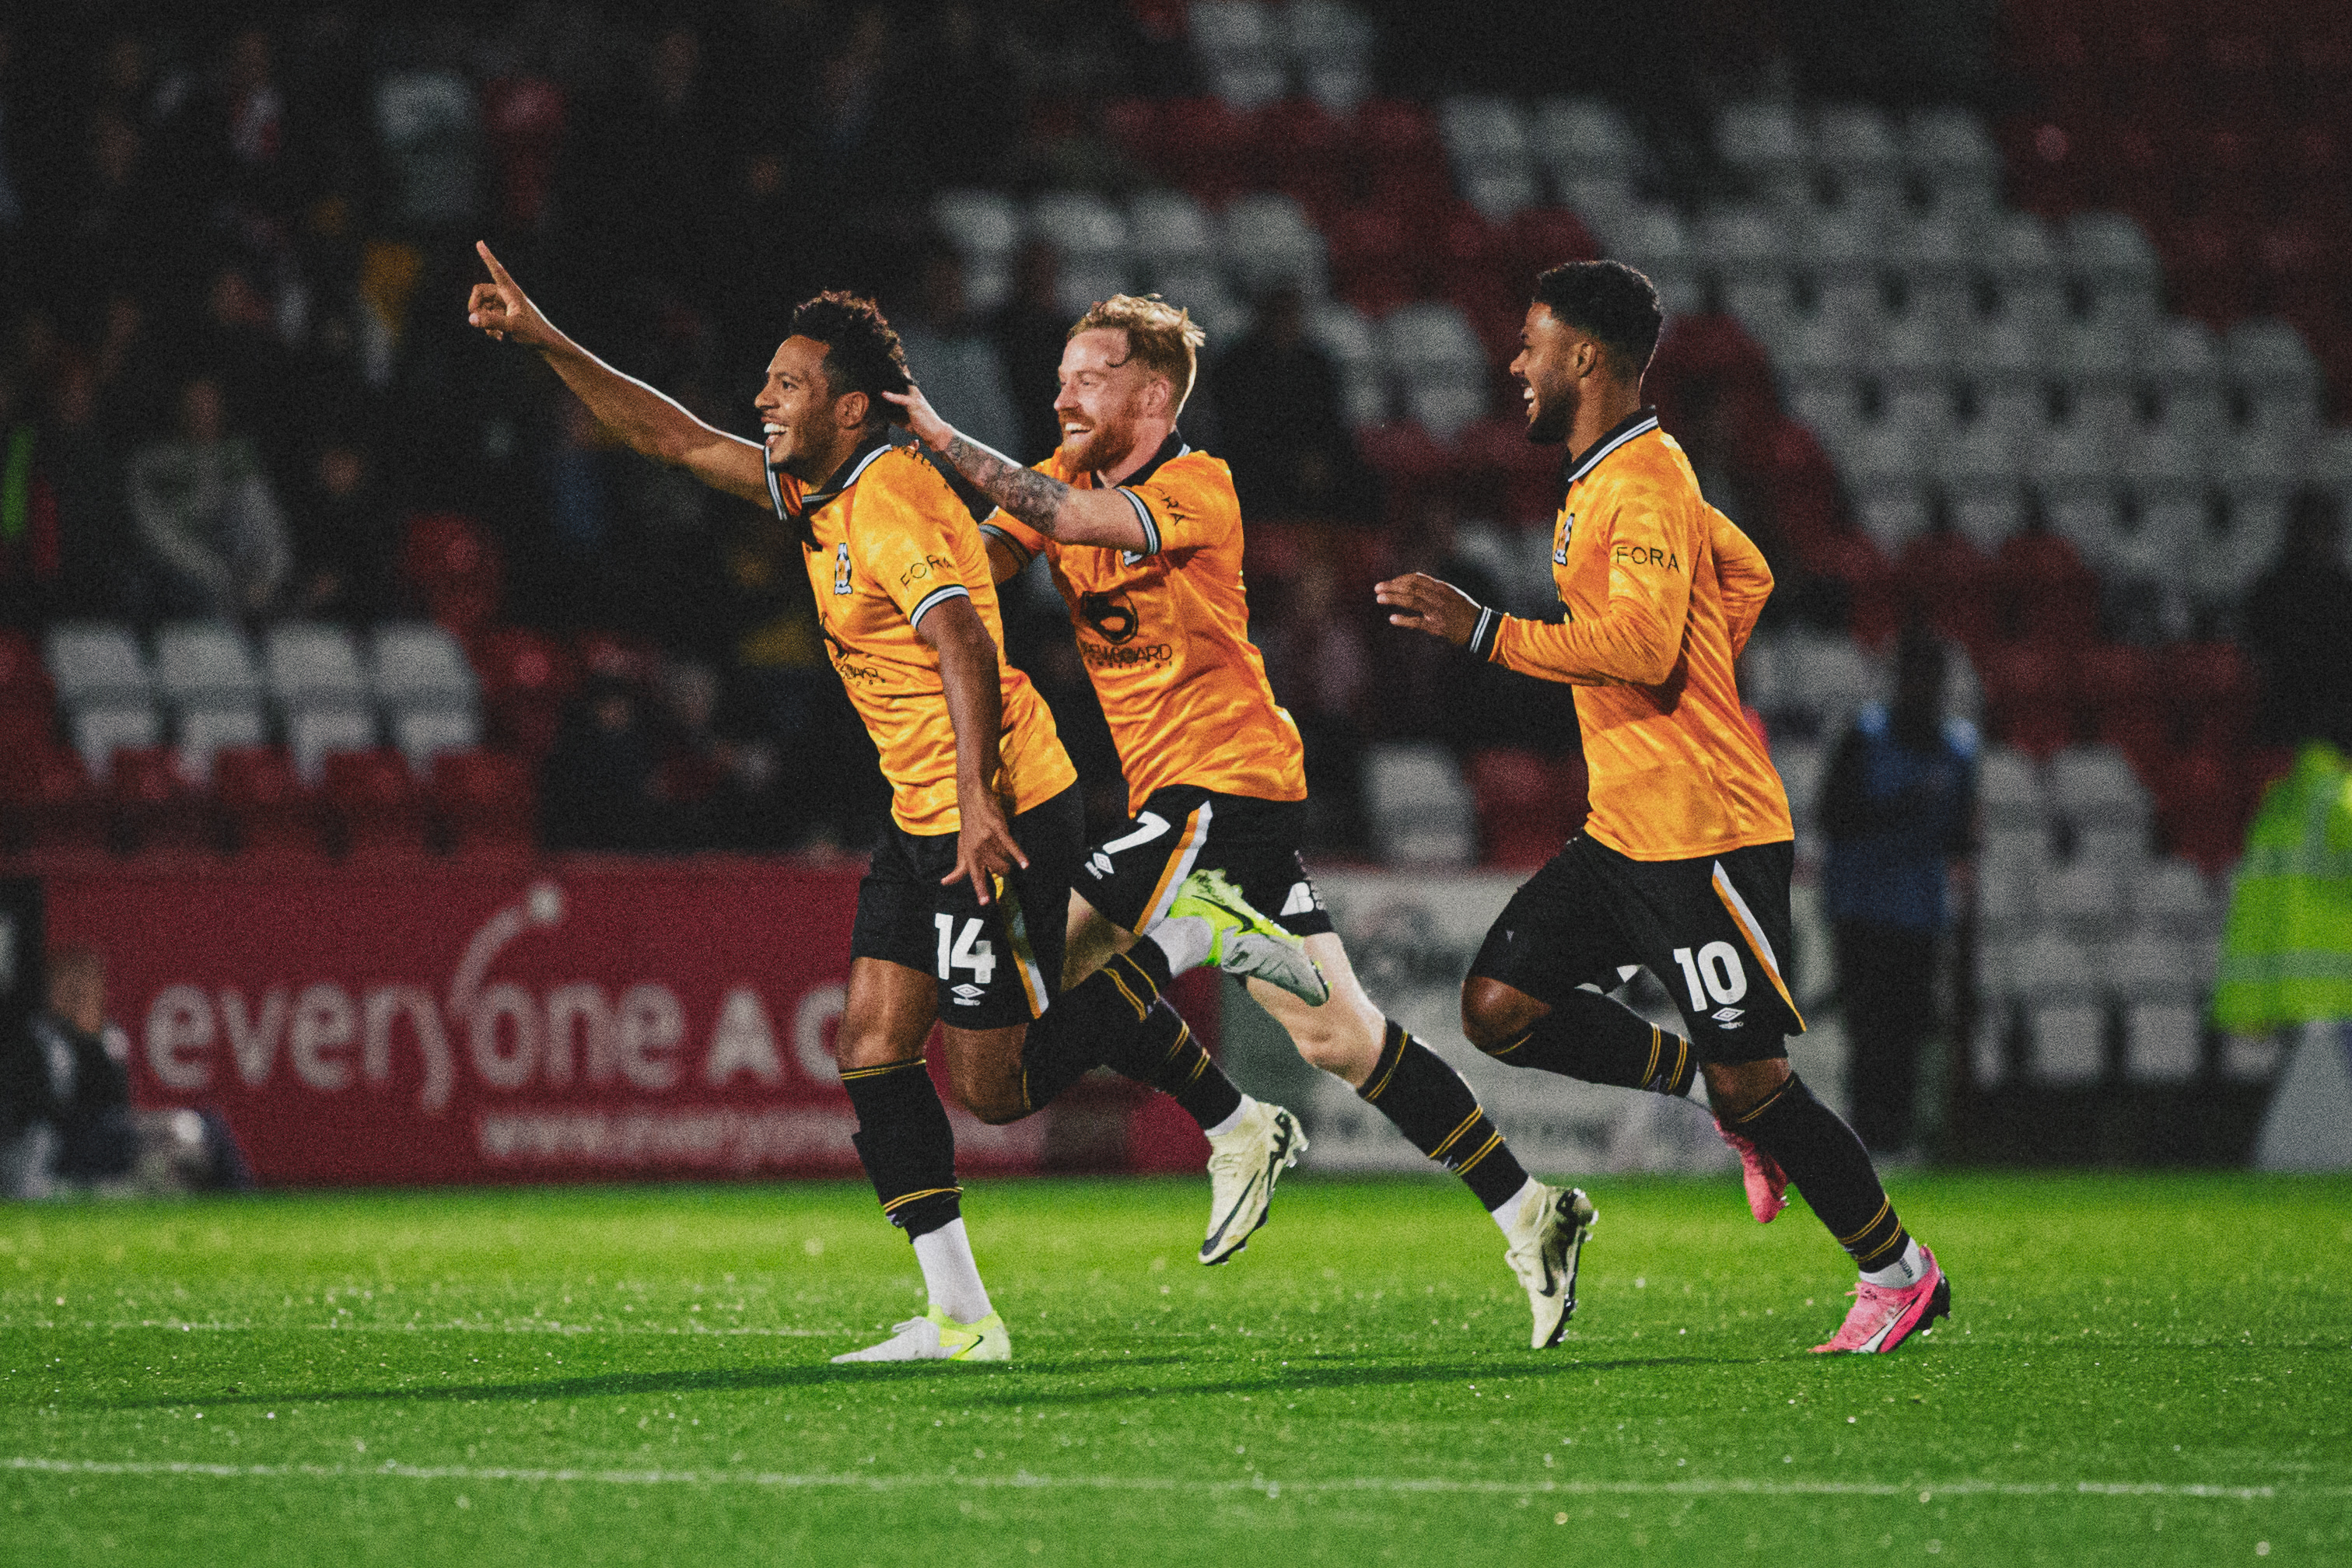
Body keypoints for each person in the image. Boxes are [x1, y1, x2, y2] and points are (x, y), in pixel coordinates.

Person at [466, 248, 1321, 1363]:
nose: (763, 397)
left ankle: (1225, 1074)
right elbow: (670, 437)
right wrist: (545, 340)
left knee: (995, 1085)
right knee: (871, 1047)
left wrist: (974, 803)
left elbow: (965, 637)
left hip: (1003, 798)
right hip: (923, 809)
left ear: (851, 407)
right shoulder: (815, 486)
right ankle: (962, 1318)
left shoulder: (891, 498)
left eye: (787, 383)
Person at [891, 293, 1598, 1349]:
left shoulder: (1196, 483)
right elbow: (980, 571)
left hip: (1225, 784)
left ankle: (1229, 1090)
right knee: (1347, 1040)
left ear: (1151, 393)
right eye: (1062, 376)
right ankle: (1532, 1208)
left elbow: (1068, 520)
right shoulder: (1062, 473)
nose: (1063, 393)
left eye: (1088, 377)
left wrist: (943, 439)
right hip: (1191, 807)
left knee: (1061, 954)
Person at [1376, 260, 1950, 1355]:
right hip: (1626, 829)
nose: (1516, 364)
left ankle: (1899, 1272)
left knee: (1766, 1082)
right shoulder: (1621, 472)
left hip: (1708, 832)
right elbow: (1750, 575)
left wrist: (1488, 631)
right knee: (1501, 1006)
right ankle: (1705, 1088)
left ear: (1585, 356)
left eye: (1531, 343)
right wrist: (1705, 671)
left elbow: (1641, 643)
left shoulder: (1639, 481)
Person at [1818, 626, 1979, 1157]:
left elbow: (1963, 837)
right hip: (1861, 909)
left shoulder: (1958, 749)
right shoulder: (1863, 737)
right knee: (1869, 1032)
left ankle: (1900, 1141)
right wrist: (1908, 804)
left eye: (1932, 678)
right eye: (1915, 677)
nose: (1923, 688)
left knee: (1909, 1031)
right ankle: (1865, 1141)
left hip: (1919, 911)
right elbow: (1833, 818)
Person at [124, 375, 291, 618]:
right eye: (195, 404)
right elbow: (161, 536)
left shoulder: (236, 455)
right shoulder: (153, 462)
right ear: (181, 409)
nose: (203, 412)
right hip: (180, 572)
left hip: (234, 570)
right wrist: (218, 574)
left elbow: (263, 518)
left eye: (210, 403)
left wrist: (268, 575)